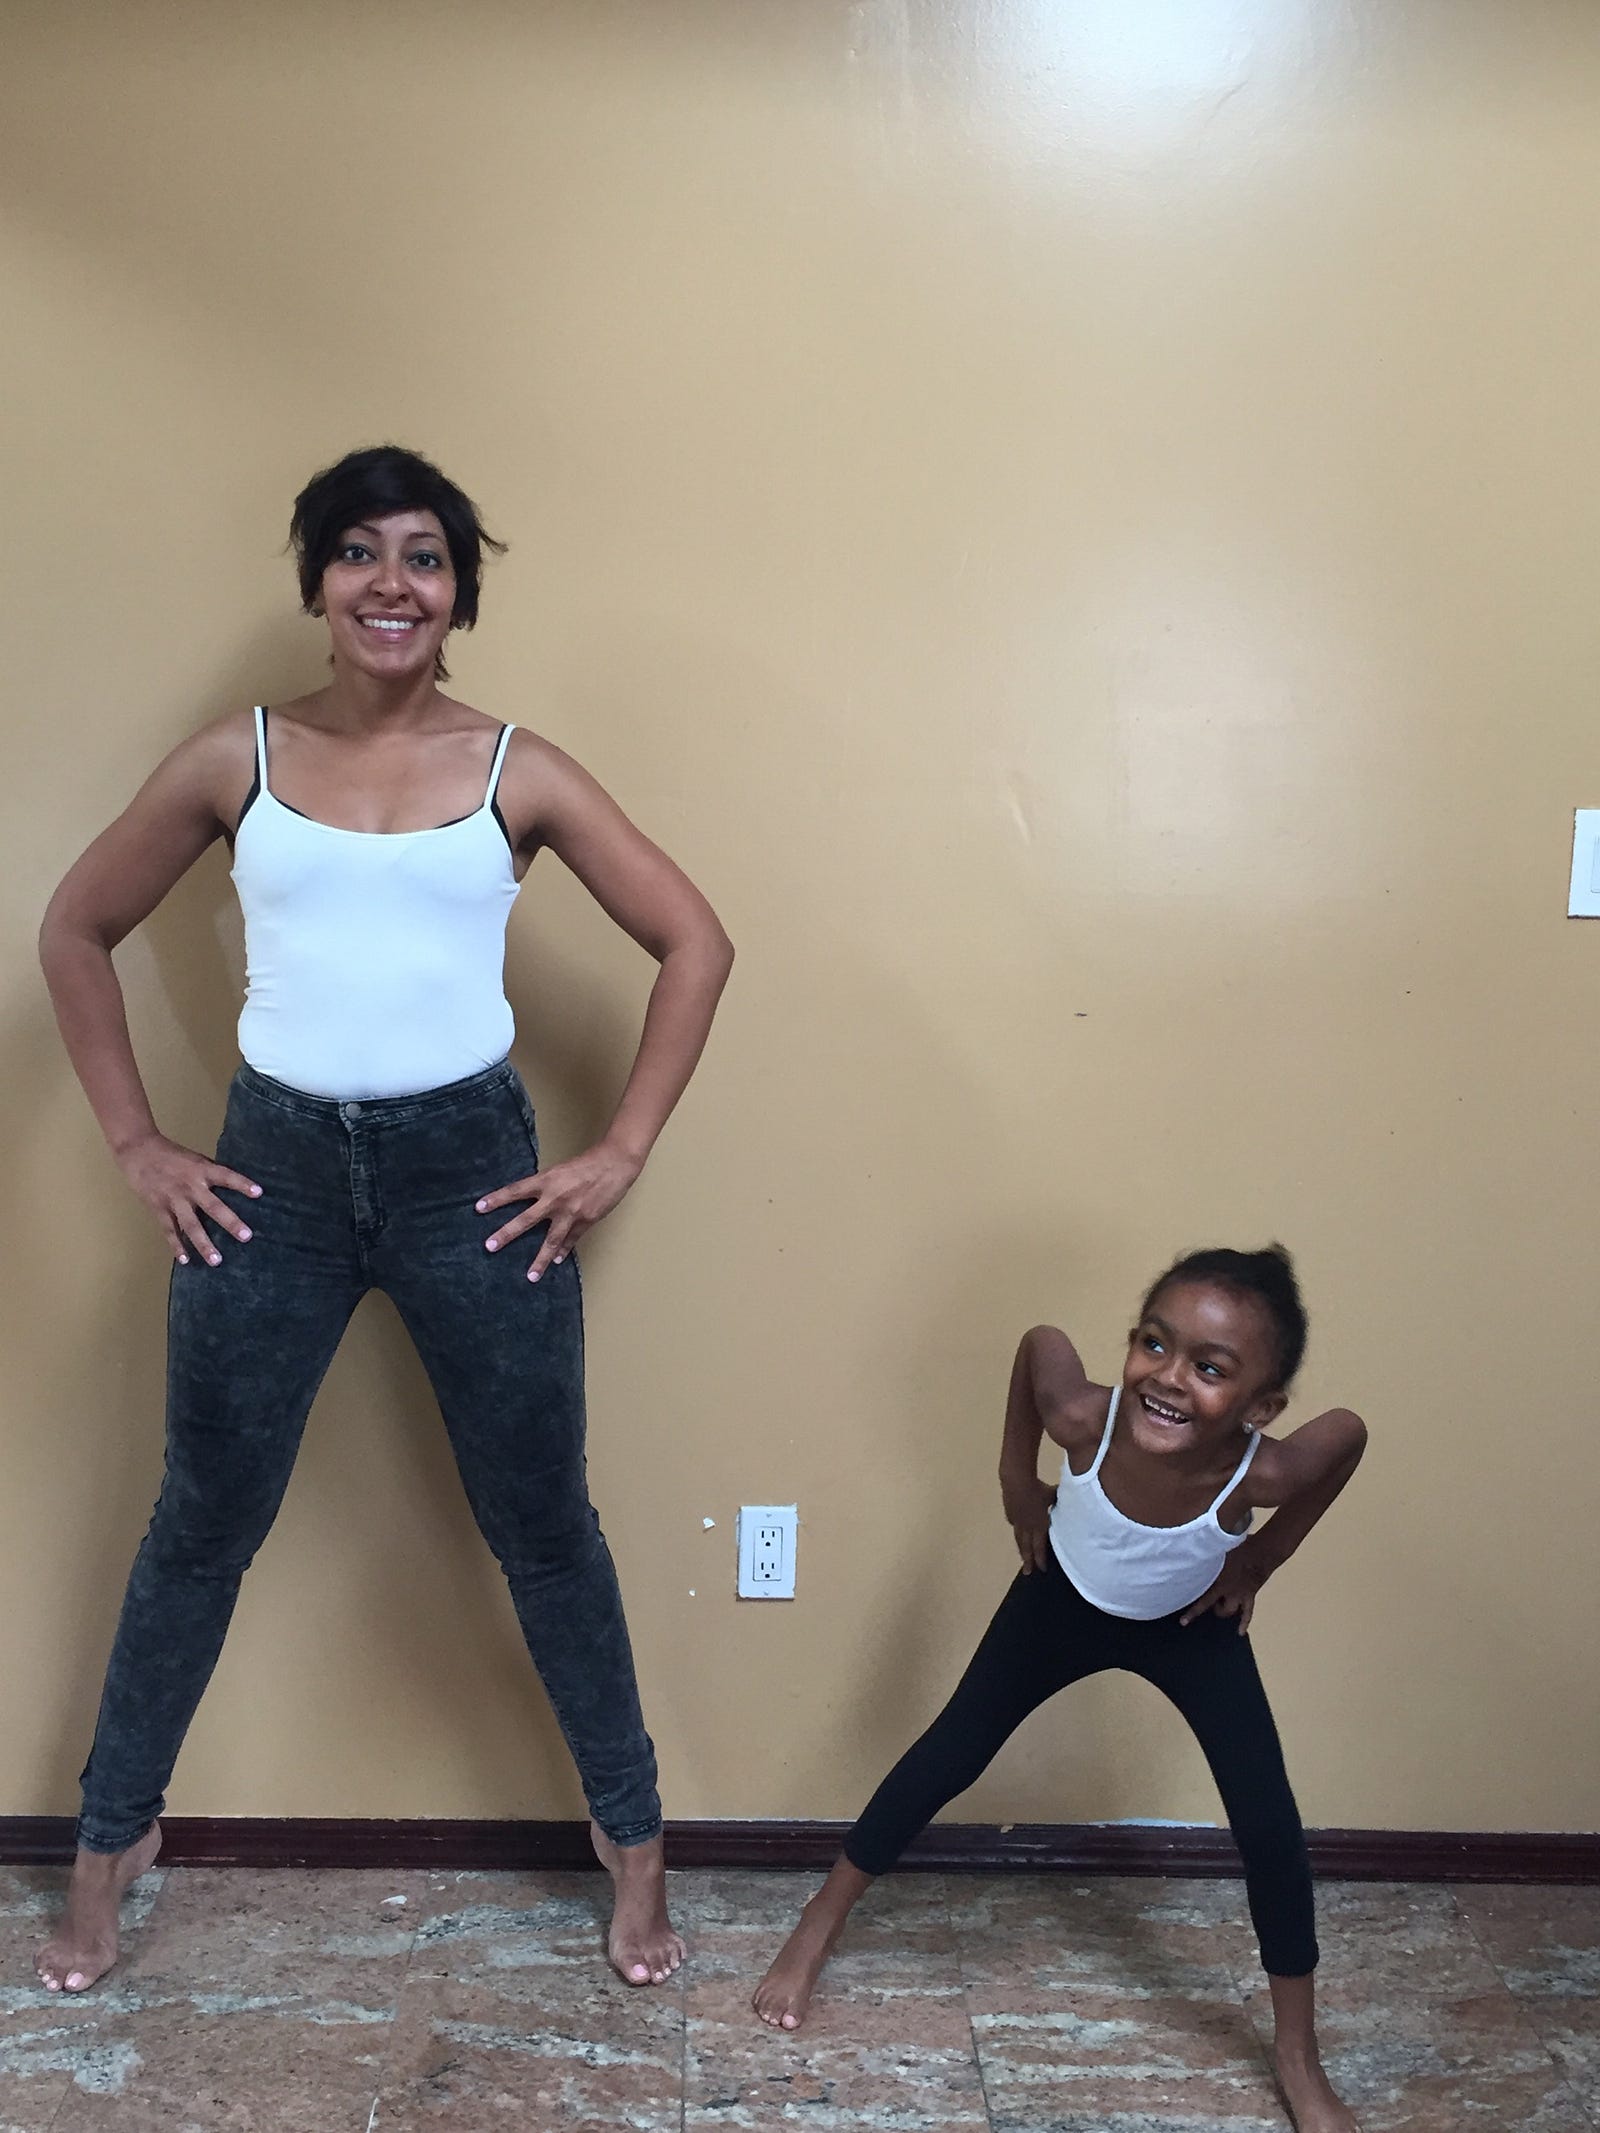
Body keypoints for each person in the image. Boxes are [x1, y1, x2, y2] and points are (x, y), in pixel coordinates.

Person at [34, 444, 734, 1996]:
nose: (392, 583)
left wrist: (619, 1149)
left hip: (468, 1181)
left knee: (543, 1526)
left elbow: (695, 941)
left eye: (425, 557)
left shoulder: (519, 770)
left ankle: (634, 1844)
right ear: (318, 583)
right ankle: (108, 1844)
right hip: (271, 1182)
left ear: (459, 595)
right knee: (200, 1522)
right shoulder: (237, 758)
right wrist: (138, 1141)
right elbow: (75, 927)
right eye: (360, 552)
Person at [754, 1245, 1366, 2133]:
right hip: (1059, 1601)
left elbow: (1346, 1435)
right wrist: (1016, 1485)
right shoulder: (1084, 1418)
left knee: (1269, 1823)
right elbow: (1041, 1341)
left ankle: (1298, 2051)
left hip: (1190, 1628)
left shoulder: (1263, 1474)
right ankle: (821, 1915)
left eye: (1209, 1368)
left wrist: (1262, 1558)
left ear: (1261, 1407)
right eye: (1154, 1343)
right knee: (948, 1755)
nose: (1168, 1376)